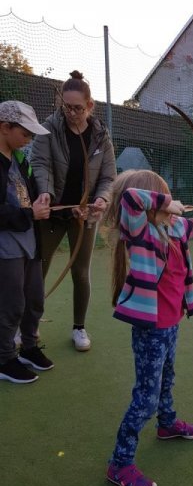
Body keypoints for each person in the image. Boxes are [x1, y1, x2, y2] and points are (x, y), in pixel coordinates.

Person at [104, 170, 193, 486]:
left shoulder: (177, 227)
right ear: (155, 203)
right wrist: (168, 202)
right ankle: (119, 463)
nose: (171, 207)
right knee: (146, 397)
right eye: (163, 199)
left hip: (171, 324)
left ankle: (167, 424)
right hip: (151, 328)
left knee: (167, 378)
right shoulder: (139, 230)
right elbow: (130, 198)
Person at [31, 70, 117, 352]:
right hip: (53, 211)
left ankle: (79, 328)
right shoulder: (48, 127)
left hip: (85, 214)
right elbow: (40, 163)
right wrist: (45, 191)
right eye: (66, 106)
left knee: (80, 272)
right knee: (39, 267)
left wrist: (101, 199)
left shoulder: (101, 136)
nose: (71, 113)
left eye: (77, 108)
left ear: (90, 105)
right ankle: (29, 324)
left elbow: (109, 177)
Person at [0, 100, 54, 384]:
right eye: (25, 133)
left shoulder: (19, 159)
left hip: (29, 240)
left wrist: (45, 202)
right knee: (11, 304)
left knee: (34, 299)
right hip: (6, 246)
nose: (29, 139)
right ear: (4, 127)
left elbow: (29, 198)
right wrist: (29, 213)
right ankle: (5, 358)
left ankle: (29, 348)